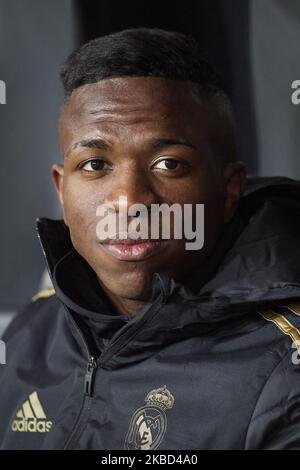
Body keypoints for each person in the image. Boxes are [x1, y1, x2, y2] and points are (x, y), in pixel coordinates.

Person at [1, 27, 300, 450]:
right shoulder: (31, 333)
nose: (128, 201)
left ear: (228, 190)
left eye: (169, 164)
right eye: (94, 164)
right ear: (61, 192)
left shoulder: (286, 371)